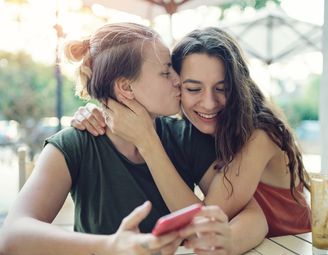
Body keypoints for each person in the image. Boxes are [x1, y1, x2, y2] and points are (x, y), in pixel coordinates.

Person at [0, 23, 267, 255]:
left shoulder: (186, 137)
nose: (178, 80)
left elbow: (251, 214)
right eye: (166, 72)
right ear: (126, 88)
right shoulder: (74, 145)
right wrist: (112, 251)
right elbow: (12, 234)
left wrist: (229, 240)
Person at [73, 27, 311, 238]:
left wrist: (147, 141)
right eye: (193, 88)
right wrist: (97, 112)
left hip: (290, 252)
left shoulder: (260, 137)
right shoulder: (195, 133)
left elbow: (204, 220)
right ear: (175, 84)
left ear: (238, 88)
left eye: (222, 89)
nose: (209, 103)